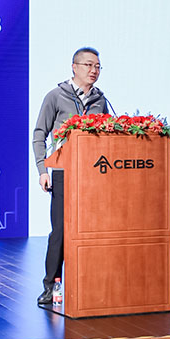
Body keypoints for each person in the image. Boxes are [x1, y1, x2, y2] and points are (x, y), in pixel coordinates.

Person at [32, 47, 108, 305]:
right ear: (74, 67)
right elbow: (39, 134)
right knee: (60, 233)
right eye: (88, 65)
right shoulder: (56, 96)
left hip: (93, 176)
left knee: (92, 231)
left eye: (97, 66)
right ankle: (50, 286)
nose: (93, 70)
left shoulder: (100, 100)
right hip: (64, 173)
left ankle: (88, 284)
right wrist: (43, 170)